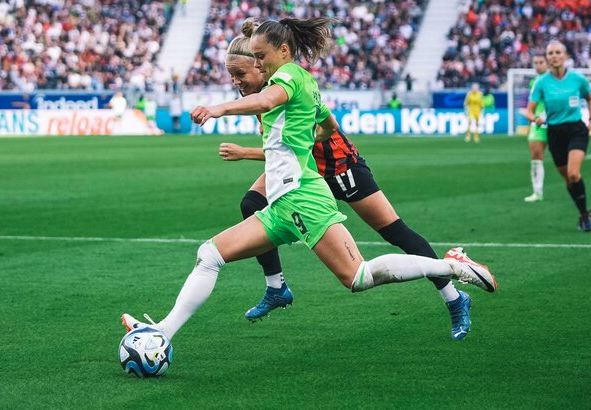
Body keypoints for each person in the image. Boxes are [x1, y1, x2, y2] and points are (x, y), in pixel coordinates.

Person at [122, 18, 497, 347]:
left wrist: (218, 109)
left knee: (359, 276)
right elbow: (329, 125)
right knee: (210, 254)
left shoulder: (288, 75)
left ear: (282, 51)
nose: (255, 66)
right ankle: (164, 332)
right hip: (286, 200)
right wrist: (299, 143)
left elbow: (269, 101)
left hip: (304, 193)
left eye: (259, 58)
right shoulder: (302, 83)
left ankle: (452, 267)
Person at [218, 19, 473, 340]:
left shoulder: (280, 91)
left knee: (396, 232)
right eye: (233, 75)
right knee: (251, 202)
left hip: (341, 168)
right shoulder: (261, 96)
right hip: (304, 175)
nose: (238, 81)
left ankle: (454, 297)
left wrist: (244, 151)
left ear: (264, 62)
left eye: (243, 73)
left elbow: (315, 136)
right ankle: (276, 287)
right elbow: (284, 152)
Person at [525, 41, 591, 231]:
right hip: (555, 133)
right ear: (548, 58)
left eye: (558, 52)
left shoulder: (578, 79)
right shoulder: (541, 83)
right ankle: (583, 214)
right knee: (568, 180)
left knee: (574, 174)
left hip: (576, 130)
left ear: (565, 56)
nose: (554, 56)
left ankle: (586, 217)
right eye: (551, 53)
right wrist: (535, 119)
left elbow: (590, 98)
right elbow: (529, 111)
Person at [523, 54, 549, 203]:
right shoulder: (533, 82)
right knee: (536, 156)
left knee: (563, 159)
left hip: (555, 121)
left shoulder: (553, 80)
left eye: (541, 62)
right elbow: (531, 105)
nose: (538, 65)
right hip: (538, 123)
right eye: (535, 63)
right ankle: (537, 192)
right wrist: (530, 121)